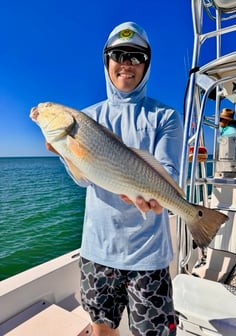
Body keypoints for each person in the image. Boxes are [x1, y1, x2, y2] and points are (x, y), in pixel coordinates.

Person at [47, 22, 182, 336]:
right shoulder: (85, 119)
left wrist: (157, 197)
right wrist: (66, 152)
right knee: (102, 330)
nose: (127, 64)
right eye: (118, 54)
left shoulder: (165, 117)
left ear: (147, 64)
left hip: (149, 254)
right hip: (98, 250)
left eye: (137, 57)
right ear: (106, 60)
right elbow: (83, 180)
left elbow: (169, 172)